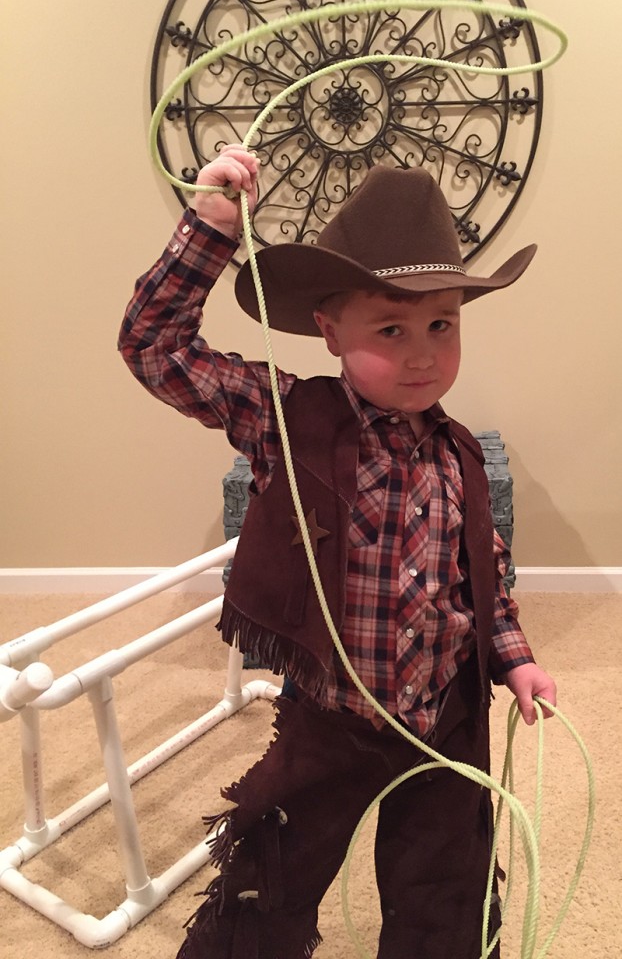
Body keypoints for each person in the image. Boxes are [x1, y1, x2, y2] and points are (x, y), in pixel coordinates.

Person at [119, 144, 557, 959]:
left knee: (448, 881)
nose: (422, 352)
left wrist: (515, 659)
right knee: (273, 865)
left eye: (441, 325)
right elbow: (157, 349)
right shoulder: (287, 418)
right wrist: (212, 225)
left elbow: (483, 585)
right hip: (337, 712)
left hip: (446, 721)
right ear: (328, 330)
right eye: (391, 328)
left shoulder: (459, 452)